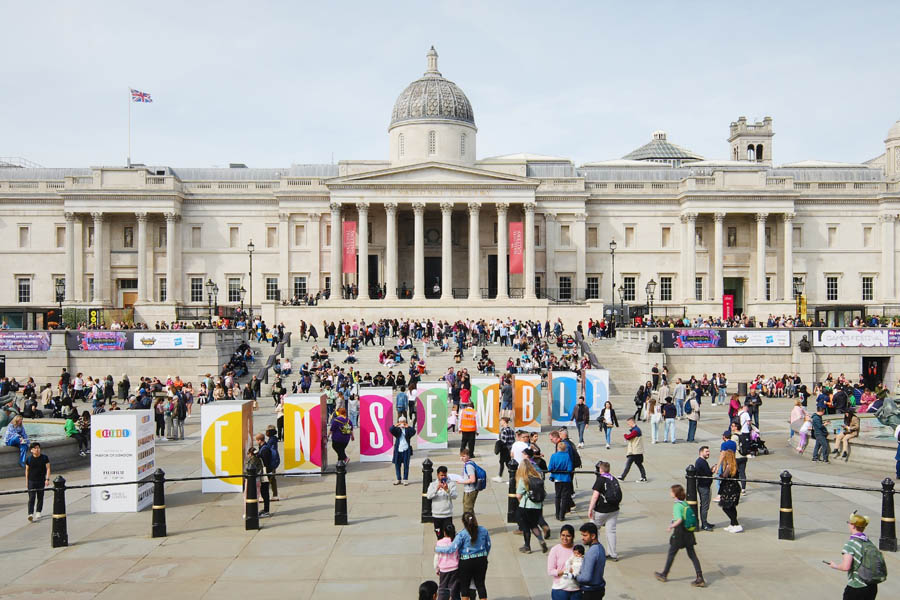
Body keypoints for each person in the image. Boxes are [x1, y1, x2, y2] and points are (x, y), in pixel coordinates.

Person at [654, 484, 705, 587]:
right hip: (689, 534)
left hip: (679, 534)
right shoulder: (685, 504)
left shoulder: (677, 506)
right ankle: (700, 577)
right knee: (692, 555)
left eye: (671, 491)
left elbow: (679, 519)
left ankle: (664, 574)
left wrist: (671, 526)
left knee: (671, 553)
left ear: (675, 494)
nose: (670, 493)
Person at [434, 512, 491, 600]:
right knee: (480, 585)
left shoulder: (462, 534)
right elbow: (488, 545)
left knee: (465, 587)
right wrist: (484, 555)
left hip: (466, 562)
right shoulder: (483, 530)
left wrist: (438, 549)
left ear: (463, 522)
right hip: (481, 560)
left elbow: (451, 549)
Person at [827, 512, 883, 599]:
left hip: (856, 587)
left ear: (853, 525)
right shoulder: (868, 541)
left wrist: (835, 566)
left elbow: (846, 567)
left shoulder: (851, 544)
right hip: (871, 586)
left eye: (849, 523)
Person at [588, 460, 620, 561]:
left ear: (601, 469)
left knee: (592, 529)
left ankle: (595, 552)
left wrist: (590, 509)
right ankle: (613, 554)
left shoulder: (600, 480)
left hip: (602, 510)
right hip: (614, 509)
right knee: (611, 531)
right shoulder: (613, 479)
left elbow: (595, 496)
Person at [516, 459, 548, 553]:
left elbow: (518, 495)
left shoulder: (524, 479)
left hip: (526, 506)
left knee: (526, 527)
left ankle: (527, 547)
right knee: (534, 525)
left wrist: (520, 502)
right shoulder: (538, 479)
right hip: (537, 507)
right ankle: (541, 540)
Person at [576, 522, 606, 599]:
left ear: (593, 536)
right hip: (598, 589)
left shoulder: (592, 552)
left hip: (590, 592)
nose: (582, 538)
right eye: (582, 535)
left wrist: (575, 576)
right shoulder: (600, 548)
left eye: (585, 535)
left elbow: (586, 578)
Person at [427, 465, 458, 539]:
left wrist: (447, 490)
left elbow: (455, 496)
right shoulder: (433, 485)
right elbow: (429, 496)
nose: (443, 477)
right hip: (436, 515)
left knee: (450, 536)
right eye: (441, 475)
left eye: (445, 475)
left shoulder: (451, 484)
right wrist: (436, 489)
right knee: (439, 536)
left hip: (447, 515)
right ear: (438, 475)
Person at [547, 524, 577, 599]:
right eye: (563, 535)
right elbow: (551, 571)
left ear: (573, 536)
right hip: (560, 589)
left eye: (568, 536)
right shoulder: (555, 550)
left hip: (576, 589)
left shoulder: (577, 550)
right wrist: (565, 571)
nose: (565, 538)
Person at [434, 522, 460, 600]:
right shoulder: (456, 542)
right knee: (455, 589)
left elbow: (436, 558)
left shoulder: (439, 543)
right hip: (455, 568)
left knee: (443, 588)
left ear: (444, 532)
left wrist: (436, 568)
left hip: (444, 569)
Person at [24, 442, 50, 522]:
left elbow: (48, 468)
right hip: (31, 481)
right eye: (35, 448)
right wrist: (26, 481)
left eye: (38, 448)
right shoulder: (29, 459)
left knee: (40, 496)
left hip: (41, 480)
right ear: (31, 450)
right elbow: (27, 470)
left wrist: (47, 479)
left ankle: (38, 511)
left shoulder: (44, 458)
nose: (37, 449)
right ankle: (30, 514)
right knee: (31, 497)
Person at [548, 441, 574, 521]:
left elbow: (550, 468)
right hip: (565, 478)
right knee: (564, 497)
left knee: (557, 496)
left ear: (557, 448)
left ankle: (557, 514)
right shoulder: (567, 456)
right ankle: (562, 515)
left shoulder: (554, 456)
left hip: (557, 478)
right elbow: (570, 468)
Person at [718, 449, 743, 533]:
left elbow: (724, 476)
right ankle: (732, 524)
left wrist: (718, 473)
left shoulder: (729, 466)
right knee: (732, 507)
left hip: (730, 489)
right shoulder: (734, 464)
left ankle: (736, 524)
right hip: (734, 488)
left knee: (726, 507)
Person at [618, 418, 647, 482]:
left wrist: (625, 435)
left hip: (635, 451)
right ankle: (643, 477)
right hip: (636, 451)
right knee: (638, 464)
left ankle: (623, 477)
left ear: (632, 422)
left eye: (628, 423)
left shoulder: (636, 430)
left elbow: (628, 437)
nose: (628, 425)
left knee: (630, 464)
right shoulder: (636, 429)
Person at [390, 416, 415, 485]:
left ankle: (405, 479)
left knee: (406, 465)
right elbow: (391, 429)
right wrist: (396, 425)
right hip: (398, 450)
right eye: (401, 422)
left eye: (403, 422)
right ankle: (398, 479)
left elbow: (414, 431)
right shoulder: (397, 430)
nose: (402, 424)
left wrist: (407, 426)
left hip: (406, 449)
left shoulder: (407, 430)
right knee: (397, 465)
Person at [694, 446, 715, 531]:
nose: (708, 453)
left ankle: (705, 522)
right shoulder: (700, 462)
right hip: (703, 487)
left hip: (705, 486)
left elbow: (705, 473)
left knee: (705, 505)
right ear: (701, 452)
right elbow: (706, 475)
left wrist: (710, 471)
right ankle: (704, 524)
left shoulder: (702, 462)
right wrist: (712, 471)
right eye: (706, 451)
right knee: (704, 506)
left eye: (708, 451)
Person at [492, 417, 515, 483]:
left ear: (504, 421)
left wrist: (498, 443)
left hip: (504, 449)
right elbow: (513, 440)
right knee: (507, 463)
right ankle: (511, 477)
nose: (500, 422)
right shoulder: (511, 430)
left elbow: (504, 441)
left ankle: (501, 477)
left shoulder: (504, 430)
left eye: (501, 421)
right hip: (510, 449)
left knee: (502, 462)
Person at [459, 448, 480, 514]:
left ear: (468, 456)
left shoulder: (469, 466)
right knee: (468, 509)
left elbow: (472, 479)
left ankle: (470, 523)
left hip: (470, 490)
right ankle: (471, 523)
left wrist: (461, 482)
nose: (462, 458)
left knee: (468, 510)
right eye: (461, 456)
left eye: (464, 456)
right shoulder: (470, 463)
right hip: (468, 490)